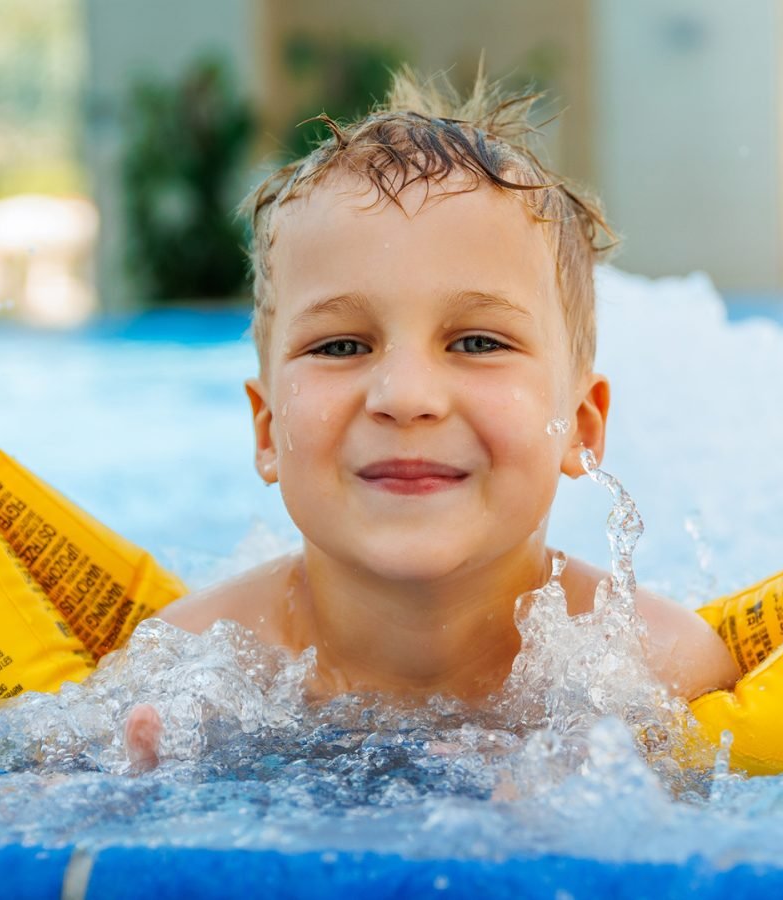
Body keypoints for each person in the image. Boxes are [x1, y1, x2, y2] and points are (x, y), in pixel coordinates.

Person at [124, 68, 739, 771]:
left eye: (477, 342)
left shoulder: (659, 668)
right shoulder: (190, 666)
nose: (406, 394)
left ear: (582, 427)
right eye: (341, 346)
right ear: (268, 432)